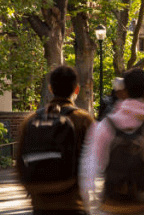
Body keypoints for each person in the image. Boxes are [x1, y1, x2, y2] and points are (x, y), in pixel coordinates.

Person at [81, 68, 144, 215]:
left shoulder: (106, 126)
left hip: (111, 206)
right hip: (143, 206)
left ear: (123, 92)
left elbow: (89, 169)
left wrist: (92, 207)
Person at [16, 65, 94, 215]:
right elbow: (94, 162)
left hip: (40, 204)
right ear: (76, 89)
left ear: (50, 88)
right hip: (74, 204)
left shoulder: (31, 120)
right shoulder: (83, 120)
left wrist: (33, 189)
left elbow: (19, 163)